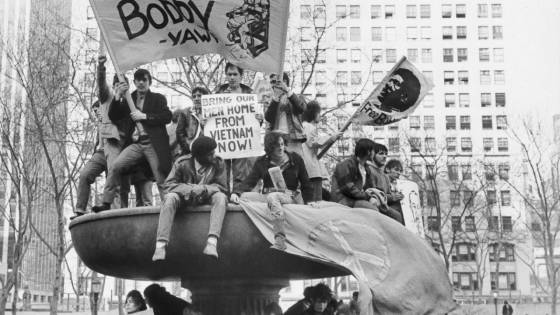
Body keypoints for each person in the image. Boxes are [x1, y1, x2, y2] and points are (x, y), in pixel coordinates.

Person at [92, 69, 172, 212]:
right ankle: (106, 202)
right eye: (138, 80)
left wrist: (145, 116)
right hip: (136, 145)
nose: (141, 82)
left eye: (144, 80)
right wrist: (117, 97)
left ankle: (169, 207)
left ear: (150, 82)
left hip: (153, 144)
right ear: (134, 82)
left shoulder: (158, 98)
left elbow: (167, 116)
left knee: (160, 178)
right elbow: (114, 116)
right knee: (116, 166)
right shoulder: (130, 98)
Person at [230, 132, 313, 250]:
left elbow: (306, 182)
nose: (281, 148)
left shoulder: (296, 158)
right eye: (277, 146)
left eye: (282, 144)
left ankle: (280, 239)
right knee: (243, 197)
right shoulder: (262, 161)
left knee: (273, 197)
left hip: (288, 196)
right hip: (267, 195)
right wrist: (235, 193)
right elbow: (250, 181)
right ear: (270, 148)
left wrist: (310, 201)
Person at [152, 136, 228, 260]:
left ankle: (212, 243)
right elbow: (168, 186)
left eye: (214, 152)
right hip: (184, 198)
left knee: (221, 197)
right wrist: (190, 189)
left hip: (207, 196)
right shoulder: (182, 163)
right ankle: (160, 246)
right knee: (170, 197)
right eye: (210, 154)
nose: (214, 156)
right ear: (199, 156)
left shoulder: (219, 162)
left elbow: (222, 187)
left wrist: (204, 189)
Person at [214, 63, 258, 194]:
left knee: (241, 171)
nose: (232, 77)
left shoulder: (249, 93)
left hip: (241, 138)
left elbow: (255, 118)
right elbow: (213, 115)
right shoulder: (219, 93)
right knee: (223, 171)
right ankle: (224, 196)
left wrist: (258, 119)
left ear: (241, 76)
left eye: (235, 74)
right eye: (229, 74)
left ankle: (238, 195)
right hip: (224, 139)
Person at [301, 100, 343, 201]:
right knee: (316, 200)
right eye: (319, 113)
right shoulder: (309, 126)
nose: (320, 116)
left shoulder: (304, 126)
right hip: (311, 169)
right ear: (313, 113)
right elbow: (314, 142)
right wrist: (331, 138)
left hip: (308, 167)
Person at [265, 72, 307, 156]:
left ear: (284, 81)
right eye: (271, 82)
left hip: (293, 140)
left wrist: (287, 91)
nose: (272, 85)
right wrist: (276, 98)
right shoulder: (271, 100)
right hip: (276, 141)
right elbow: (268, 118)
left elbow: (301, 109)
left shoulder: (296, 97)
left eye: (275, 82)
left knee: (295, 167)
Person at [330, 139, 377, 209]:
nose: (374, 153)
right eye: (374, 151)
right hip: (343, 200)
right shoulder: (345, 165)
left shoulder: (366, 168)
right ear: (368, 152)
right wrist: (367, 197)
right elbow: (348, 188)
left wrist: (373, 196)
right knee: (373, 209)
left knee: (381, 208)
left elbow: (371, 187)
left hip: (356, 199)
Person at [367, 143, 404, 224]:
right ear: (373, 154)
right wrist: (392, 197)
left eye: (386, 154)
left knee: (404, 210)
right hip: (375, 205)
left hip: (385, 204)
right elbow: (373, 193)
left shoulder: (384, 175)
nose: (384, 156)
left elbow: (388, 194)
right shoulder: (369, 170)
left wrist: (397, 196)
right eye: (381, 153)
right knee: (397, 216)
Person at [176, 86, 210, 155]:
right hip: (191, 151)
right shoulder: (185, 112)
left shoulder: (213, 112)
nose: (196, 99)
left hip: (208, 151)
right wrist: (188, 147)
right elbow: (179, 132)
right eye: (194, 96)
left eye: (199, 96)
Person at [384, 159, 405, 225]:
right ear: (387, 169)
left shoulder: (397, 184)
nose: (399, 173)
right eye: (396, 170)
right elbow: (379, 195)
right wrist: (392, 197)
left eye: (400, 171)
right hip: (384, 207)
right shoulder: (383, 179)